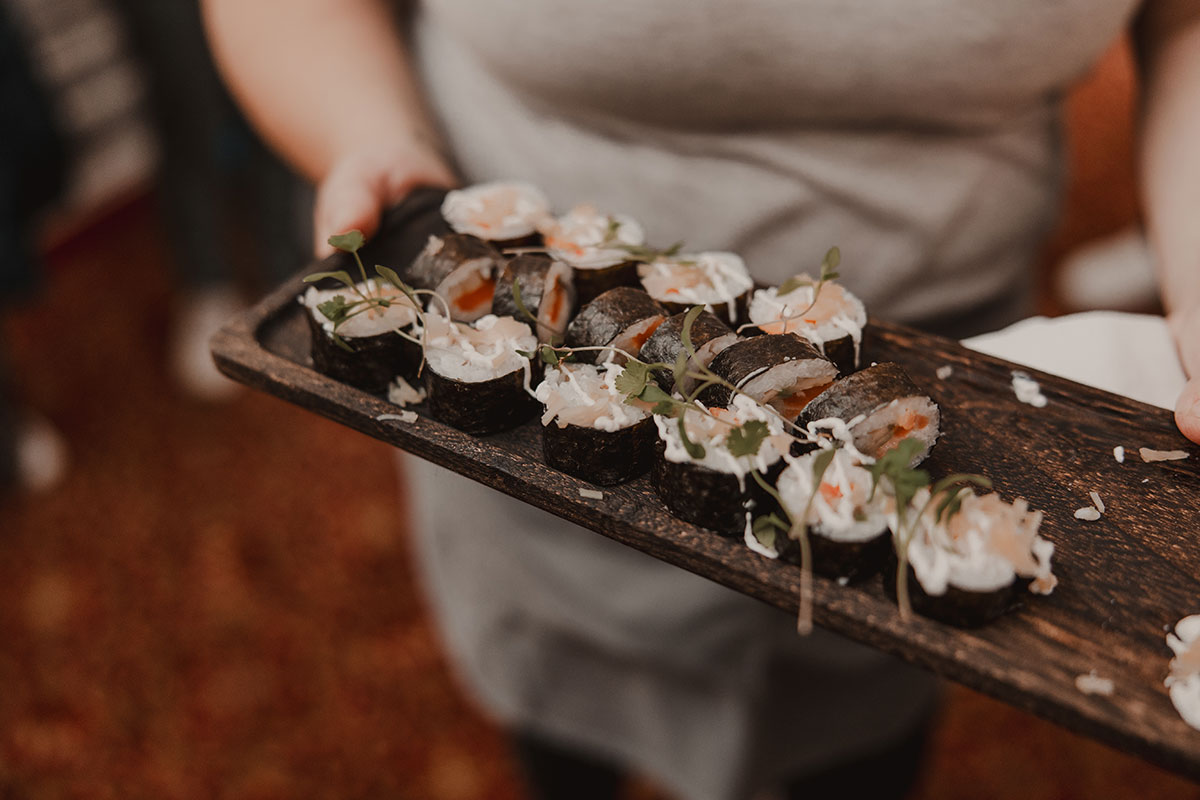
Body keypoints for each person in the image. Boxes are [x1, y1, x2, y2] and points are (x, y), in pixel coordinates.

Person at [200, 1, 1200, 798]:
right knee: (564, 737)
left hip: (953, 407)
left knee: (858, 740)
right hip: (518, 399)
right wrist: (366, 135)